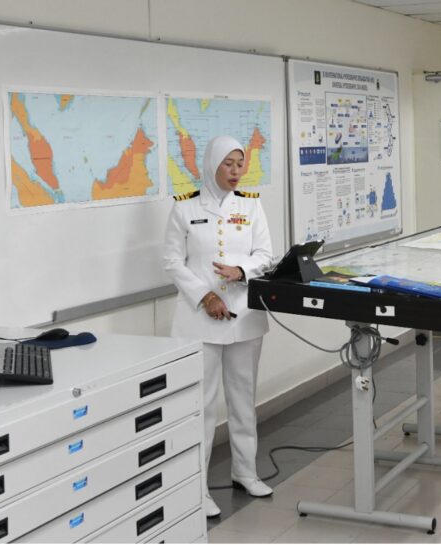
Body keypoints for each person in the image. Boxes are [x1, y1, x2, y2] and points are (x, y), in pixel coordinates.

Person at [163, 135, 275, 518]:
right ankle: (196, 487)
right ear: (212, 164)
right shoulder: (184, 209)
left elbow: (265, 255)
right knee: (203, 407)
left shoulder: (252, 206)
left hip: (244, 317)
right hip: (200, 322)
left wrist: (242, 270)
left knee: (243, 401)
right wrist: (204, 295)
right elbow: (173, 261)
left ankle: (245, 471)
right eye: (228, 164)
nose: (235, 172)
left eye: (239, 164)